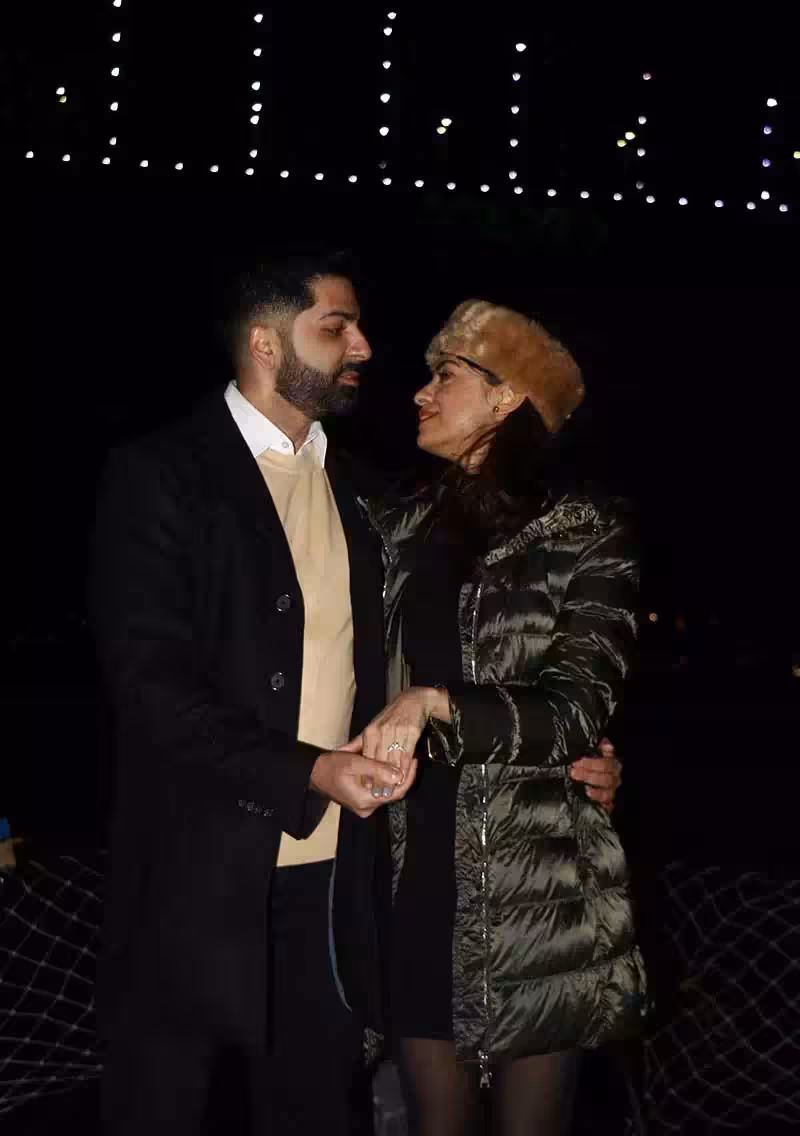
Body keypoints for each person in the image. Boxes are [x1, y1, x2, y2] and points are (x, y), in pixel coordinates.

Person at [91, 259, 623, 1135]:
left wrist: (579, 745)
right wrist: (311, 771)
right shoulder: (163, 474)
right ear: (266, 341)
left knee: (315, 1111)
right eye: (338, 326)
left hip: (351, 888)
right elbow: (149, 688)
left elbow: (531, 670)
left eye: (360, 327)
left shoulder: (373, 497)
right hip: (198, 880)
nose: (367, 349)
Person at [360, 300, 646, 1136]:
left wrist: (436, 702)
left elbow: (578, 707)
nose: (419, 393)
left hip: (541, 891)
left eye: (445, 375)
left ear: (507, 397)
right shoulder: (393, 526)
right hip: (414, 874)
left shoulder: (586, 533)